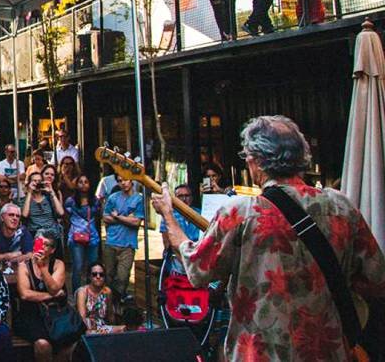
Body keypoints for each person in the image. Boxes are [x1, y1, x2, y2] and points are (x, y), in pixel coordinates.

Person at [153, 115, 385, 362]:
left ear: (255, 162)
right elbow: (376, 280)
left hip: (261, 353)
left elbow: (196, 270)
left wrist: (168, 214)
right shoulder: (340, 207)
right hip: (330, 351)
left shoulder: (240, 212)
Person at [13, 232, 70, 362]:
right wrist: (51, 296)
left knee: (70, 340)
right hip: (31, 315)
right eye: (39, 243)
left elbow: (54, 287)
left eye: (46, 245)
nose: (42, 247)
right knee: (43, 344)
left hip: (55, 314)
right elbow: (25, 294)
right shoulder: (24, 266)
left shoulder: (58, 264)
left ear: (52, 250)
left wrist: (43, 269)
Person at [101, 175, 143, 302]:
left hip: (128, 244)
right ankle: (109, 301)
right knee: (108, 274)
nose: (122, 183)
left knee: (123, 276)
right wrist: (127, 218)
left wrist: (118, 217)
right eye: (119, 181)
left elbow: (136, 222)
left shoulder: (138, 199)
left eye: (125, 179)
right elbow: (105, 217)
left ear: (131, 180)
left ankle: (119, 299)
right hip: (111, 241)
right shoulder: (113, 197)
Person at [64, 174, 100, 291]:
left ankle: (91, 293)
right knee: (77, 267)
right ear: (76, 184)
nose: (83, 184)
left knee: (92, 267)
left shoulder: (95, 201)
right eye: (81, 182)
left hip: (92, 237)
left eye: (86, 182)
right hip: (76, 237)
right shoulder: (71, 201)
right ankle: (77, 294)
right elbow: (66, 217)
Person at [159, 184, 201, 275]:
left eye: (187, 196)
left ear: (192, 198)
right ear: (175, 198)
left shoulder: (200, 213)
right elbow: (167, 243)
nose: (184, 199)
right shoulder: (169, 215)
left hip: (198, 258)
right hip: (178, 258)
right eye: (180, 196)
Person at [21, 167, 64, 255]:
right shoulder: (25, 200)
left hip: (52, 234)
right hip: (35, 233)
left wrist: (51, 192)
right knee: (39, 260)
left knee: (56, 262)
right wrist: (29, 192)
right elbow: (24, 215)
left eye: (39, 181)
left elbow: (61, 212)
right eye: (34, 181)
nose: (37, 183)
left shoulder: (49, 197)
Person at [75, 262, 123, 334]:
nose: (98, 277)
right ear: (89, 276)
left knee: (124, 329)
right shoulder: (82, 292)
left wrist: (113, 330)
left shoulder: (107, 291)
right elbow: (82, 318)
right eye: (94, 274)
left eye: (101, 274)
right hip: (86, 329)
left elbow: (110, 315)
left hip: (103, 328)